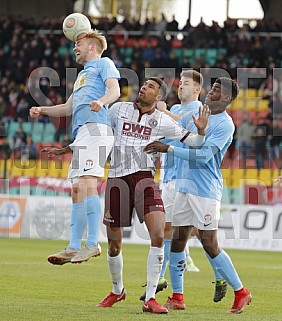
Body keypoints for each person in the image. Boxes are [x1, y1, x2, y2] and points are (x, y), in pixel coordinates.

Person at [96, 77, 210, 314]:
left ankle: (150, 298)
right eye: (144, 84)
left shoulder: (162, 121)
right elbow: (99, 132)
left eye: (150, 87)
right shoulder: (118, 109)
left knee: (159, 235)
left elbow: (196, 143)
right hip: (117, 180)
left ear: (158, 97)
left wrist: (201, 130)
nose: (144, 87)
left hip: (145, 179)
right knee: (114, 245)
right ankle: (118, 290)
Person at [144, 77, 252, 314]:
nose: (209, 92)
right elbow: (172, 134)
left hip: (204, 189)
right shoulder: (195, 115)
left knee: (209, 242)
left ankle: (241, 292)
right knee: (177, 241)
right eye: (211, 87)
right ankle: (178, 296)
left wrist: (169, 149)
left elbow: (203, 157)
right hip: (182, 186)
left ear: (225, 98)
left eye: (215, 90)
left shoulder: (225, 124)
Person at [29, 29, 120, 265]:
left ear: (92, 46)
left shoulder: (104, 63)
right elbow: (68, 108)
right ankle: (72, 246)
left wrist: (101, 102)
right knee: (77, 188)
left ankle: (92, 243)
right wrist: (43, 110)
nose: (74, 48)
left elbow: (115, 90)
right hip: (82, 134)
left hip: (97, 128)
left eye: (78, 44)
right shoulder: (81, 76)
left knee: (88, 183)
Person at [139, 70, 202, 303]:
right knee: (167, 233)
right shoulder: (175, 110)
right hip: (168, 177)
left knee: (187, 236)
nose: (181, 87)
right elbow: (164, 135)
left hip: (187, 180)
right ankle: (161, 282)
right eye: (180, 83)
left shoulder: (198, 110)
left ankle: (221, 278)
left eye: (186, 84)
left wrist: (164, 112)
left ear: (197, 89)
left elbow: (194, 134)